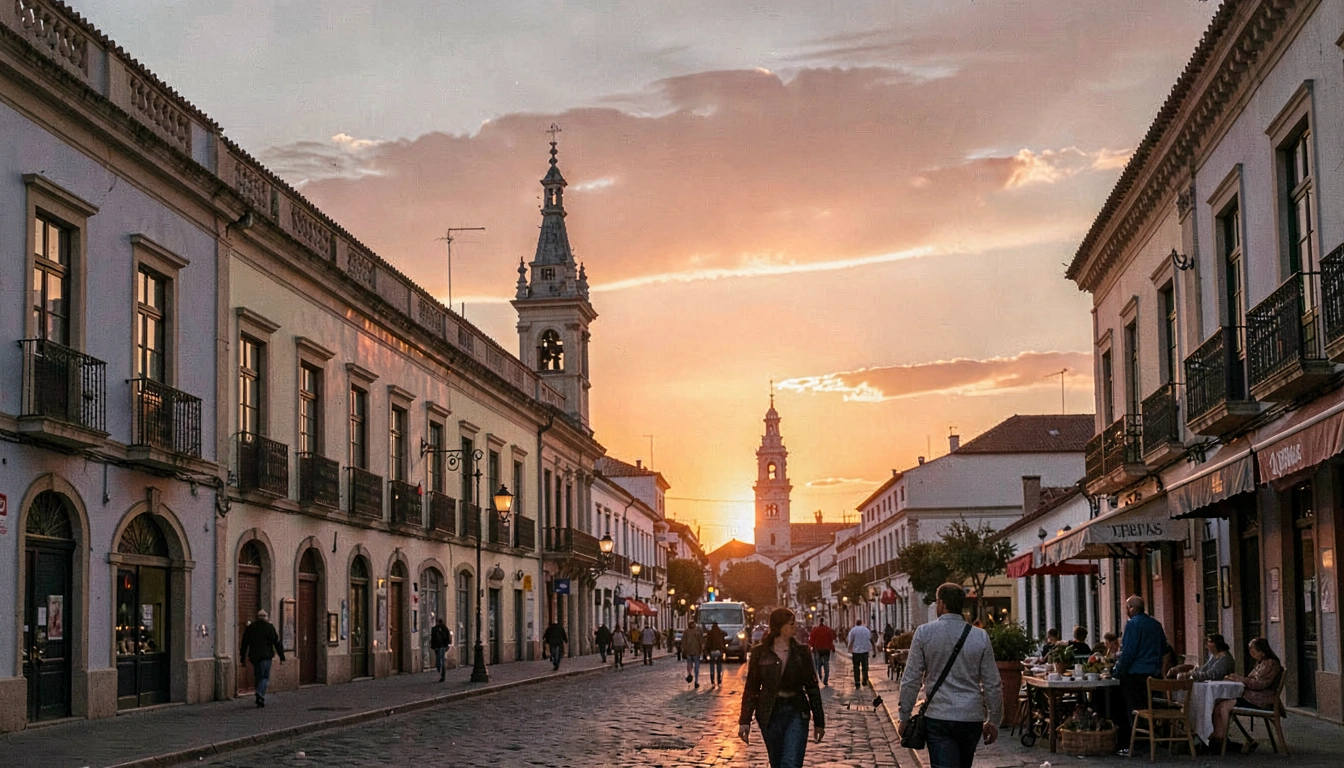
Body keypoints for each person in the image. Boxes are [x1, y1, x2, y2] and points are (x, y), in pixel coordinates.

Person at [897, 584, 1001, 768]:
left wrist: (904, 715)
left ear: (942, 603)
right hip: (970, 717)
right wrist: (994, 720)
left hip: (939, 715)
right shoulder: (980, 636)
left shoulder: (924, 633)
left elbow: (911, 679)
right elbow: (993, 683)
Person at [738, 608, 826, 768]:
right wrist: (745, 721)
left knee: (790, 762)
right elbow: (751, 688)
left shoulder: (801, 652)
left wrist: (819, 721)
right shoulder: (760, 652)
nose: (796, 626)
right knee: (777, 762)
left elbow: (812, 687)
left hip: (796, 711)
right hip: (769, 714)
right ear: (780, 626)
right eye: (791, 623)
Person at [1209, 638, 1283, 754]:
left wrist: (1241, 679)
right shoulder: (1262, 663)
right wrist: (1238, 678)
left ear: (1262, 651)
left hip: (1262, 700)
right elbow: (1251, 679)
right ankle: (1218, 739)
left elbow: (1259, 684)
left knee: (1224, 705)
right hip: (1253, 697)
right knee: (1218, 704)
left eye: (1253, 652)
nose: (1251, 654)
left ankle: (1221, 743)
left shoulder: (1270, 664)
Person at [1114, 596, 1165, 755]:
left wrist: (1117, 671)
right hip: (1153, 674)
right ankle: (1149, 741)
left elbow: (1128, 652)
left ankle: (1133, 744)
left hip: (1135, 674)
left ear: (1131, 608)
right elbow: (1163, 647)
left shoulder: (1132, 624)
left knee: (1131, 709)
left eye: (1127, 608)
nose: (1126, 611)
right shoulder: (1156, 625)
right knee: (1147, 706)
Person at [239, 608, 285, 708]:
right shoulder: (269, 628)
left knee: (259, 677)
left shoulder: (251, 628)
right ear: (266, 618)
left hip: (254, 657)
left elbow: (244, 643)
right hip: (266, 656)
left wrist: (242, 658)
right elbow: (277, 643)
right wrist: (281, 656)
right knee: (265, 677)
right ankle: (260, 693)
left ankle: (259, 699)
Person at [1170, 634, 1234, 682]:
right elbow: (1205, 669)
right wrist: (1192, 671)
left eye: (1209, 645)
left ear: (1215, 645)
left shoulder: (1225, 659)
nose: (1207, 647)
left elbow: (1211, 674)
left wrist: (1191, 675)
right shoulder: (1212, 655)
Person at [847, 618, 874, 688]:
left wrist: (849, 648)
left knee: (856, 667)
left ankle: (857, 682)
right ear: (861, 623)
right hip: (865, 651)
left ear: (856, 623)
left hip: (856, 652)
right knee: (865, 666)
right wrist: (874, 650)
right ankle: (864, 680)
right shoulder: (866, 630)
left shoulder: (853, 630)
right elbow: (871, 639)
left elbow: (851, 640)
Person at [809, 617, 836, 686]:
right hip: (826, 649)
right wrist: (832, 648)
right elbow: (831, 640)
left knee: (818, 663)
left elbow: (812, 639)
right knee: (826, 663)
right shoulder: (827, 630)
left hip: (818, 649)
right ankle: (826, 679)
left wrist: (811, 647)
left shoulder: (815, 630)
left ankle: (820, 677)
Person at [682, 621, 705, 687]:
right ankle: (696, 681)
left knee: (689, 664)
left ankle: (689, 674)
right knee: (697, 666)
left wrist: (684, 648)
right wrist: (702, 649)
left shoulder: (686, 632)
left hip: (688, 651)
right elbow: (701, 641)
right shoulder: (697, 632)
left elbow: (683, 641)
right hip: (696, 651)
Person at [430, 616, 452, 682]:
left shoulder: (444, 628)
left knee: (440, 661)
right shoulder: (436, 629)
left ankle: (443, 676)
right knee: (439, 662)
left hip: (441, 647)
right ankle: (442, 674)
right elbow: (433, 638)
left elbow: (447, 638)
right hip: (439, 647)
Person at [705, 621, 728, 685]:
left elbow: (707, 643)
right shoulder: (720, 633)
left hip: (712, 651)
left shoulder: (710, 633)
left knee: (712, 664)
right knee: (719, 664)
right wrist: (723, 650)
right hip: (719, 650)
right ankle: (719, 677)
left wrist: (707, 651)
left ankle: (712, 677)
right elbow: (724, 639)